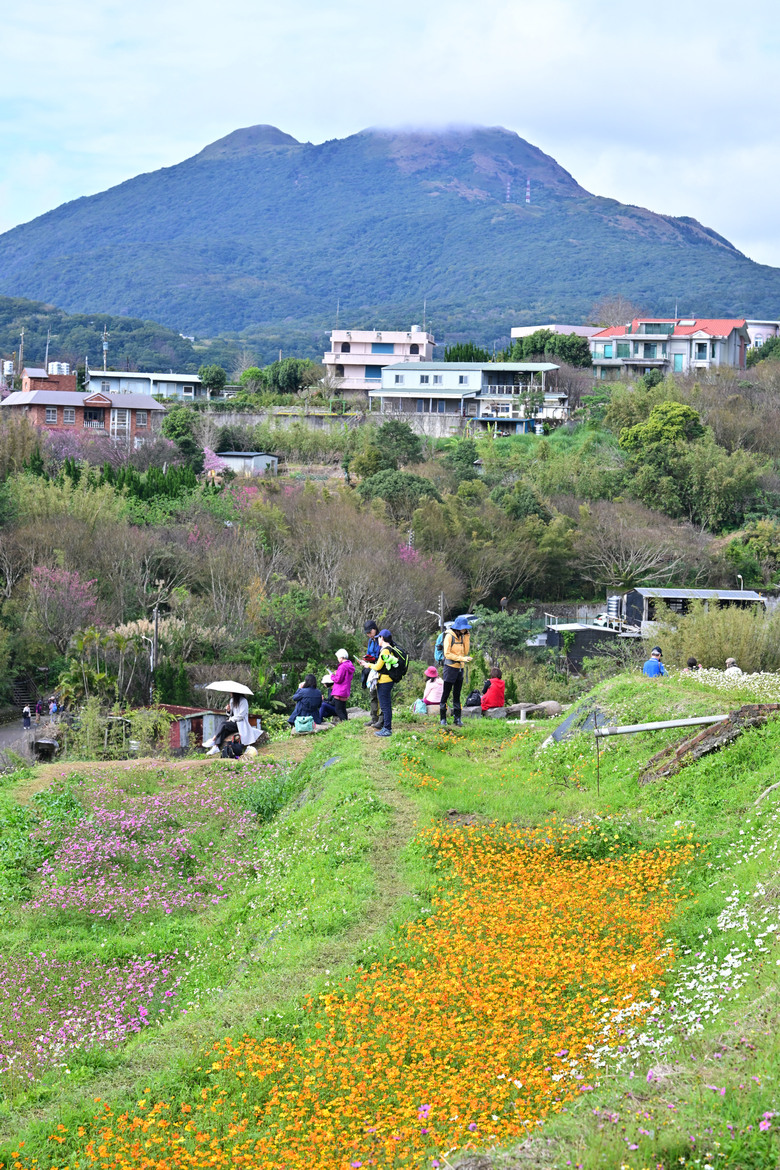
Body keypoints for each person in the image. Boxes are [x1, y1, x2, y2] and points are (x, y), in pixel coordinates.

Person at [360, 630, 399, 737]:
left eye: (378, 638)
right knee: (386, 705)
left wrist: (368, 665)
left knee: (385, 706)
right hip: (386, 681)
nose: (377, 640)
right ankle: (386, 728)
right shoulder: (388, 649)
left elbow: (378, 667)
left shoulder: (385, 650)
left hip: (385, 681)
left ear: (382, 638)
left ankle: (387, 729)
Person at [439, 616, 473, 727]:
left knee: (457, 694)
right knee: (446, 693)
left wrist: (467, 638)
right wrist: (462, 659)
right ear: (458, 628)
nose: (464, 630)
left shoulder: (462, 636)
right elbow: (447, 653)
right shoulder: (449, 636)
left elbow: (466, 651)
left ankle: (457, 719)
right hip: (450, 668)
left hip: (460, 668)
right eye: (463, 628)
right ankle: (443, 718)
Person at [319, 650, 355, 723]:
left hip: (339, 691)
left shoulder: (342, 666)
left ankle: (344, 723)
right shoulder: (349, 665)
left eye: (338, 658)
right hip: (345, 690)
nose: (338, 659)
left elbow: (338, 680)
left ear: (341, 657)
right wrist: (337, 673)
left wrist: (332, 675)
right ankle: (347, 723)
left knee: (338, 710)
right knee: (343, 708)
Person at [362, 620, 383, 730]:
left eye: (370, 632)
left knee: (381, 696)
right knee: (373, 694)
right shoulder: (371, 641)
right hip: (372, 669)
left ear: (374, 629)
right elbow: (369, 653)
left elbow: (382, 655)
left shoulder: (381, 639)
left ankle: (381, 720)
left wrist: (373, 659)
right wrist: (366, 660)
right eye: (367, 633)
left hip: (380, 670)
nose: (369, 635)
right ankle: (374, 718)